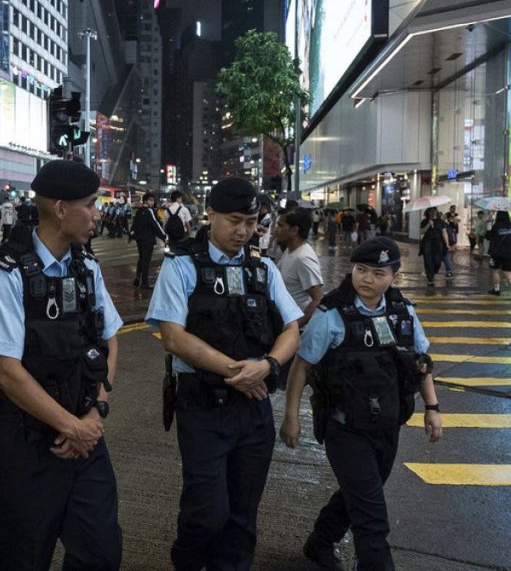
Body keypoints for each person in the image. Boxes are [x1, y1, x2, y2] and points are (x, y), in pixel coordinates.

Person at [146, 177, 302, 571]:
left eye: (251, 222)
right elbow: (173, 338)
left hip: (254, 410)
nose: (244, 231)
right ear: (210, 214)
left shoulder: (263, 268)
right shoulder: (181, 265)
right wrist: (240, 373)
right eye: (235, 221)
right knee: (205, 511)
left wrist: (268, 366)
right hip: (203, 406)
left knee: (243, 516)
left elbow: (292, 329)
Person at [0, 160, 124, 570]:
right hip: (27, 441)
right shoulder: (7, 274)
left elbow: (110, 340)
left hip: (84, 433)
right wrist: (70, 426)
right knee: (23, 555)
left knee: (101, 551)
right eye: (90, 204)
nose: (97, 214)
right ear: (60, 209)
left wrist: (94, 412)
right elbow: (6, 370)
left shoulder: (86, 267)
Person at [281, 237, 443, 571]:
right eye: (361, 270)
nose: (367, 279)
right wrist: (291, 416)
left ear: (394, 275)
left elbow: (420, 362)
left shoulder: (403, 312)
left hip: (387, 426)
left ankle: (320, 541)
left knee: (359, 493)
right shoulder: (332, 314)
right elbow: (302, 366)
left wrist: (432, 408)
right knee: (372, 516)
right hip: (345, 428)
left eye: (378, 273)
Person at [273, 208, 324, 328]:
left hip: (295, 329)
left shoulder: (303, 258)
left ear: (294, 230)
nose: (275, 229)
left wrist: (294, 327)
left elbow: (318, 299)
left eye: (280, 225)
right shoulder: (290, 250)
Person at [130, 193, 167, 288]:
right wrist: (164, 236)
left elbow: (135, 224)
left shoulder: (139, 210)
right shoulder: (149, 211)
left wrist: (132, 235)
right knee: (146, 260)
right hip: (147, 239)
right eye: (150, 200)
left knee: (141, 258)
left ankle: (137, 278)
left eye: (153, 200)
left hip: (139, 239)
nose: (152, 202)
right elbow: (155, 224)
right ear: (145, 201)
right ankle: (145, 283)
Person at [487, 211, 511, 297]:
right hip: (509, 252)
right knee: (507, 270)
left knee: (495, 270)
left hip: (497, 252)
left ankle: (496, 290)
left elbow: (489, 237)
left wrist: (489, 224)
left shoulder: (496, 226)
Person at [418, 208, 447, 286]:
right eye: (431, 211)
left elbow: (444, 232)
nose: (433, 213)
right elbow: (421, 232)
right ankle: (430, 277)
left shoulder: (440, 221)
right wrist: (428, 224)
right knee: (428, 259)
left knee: (438, 260)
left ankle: (433, 271)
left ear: (436, 212)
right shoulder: (424, 221)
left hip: (438, 242)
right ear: (428, 213)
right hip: (427, 242)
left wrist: (447, 244)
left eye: (434, 211)